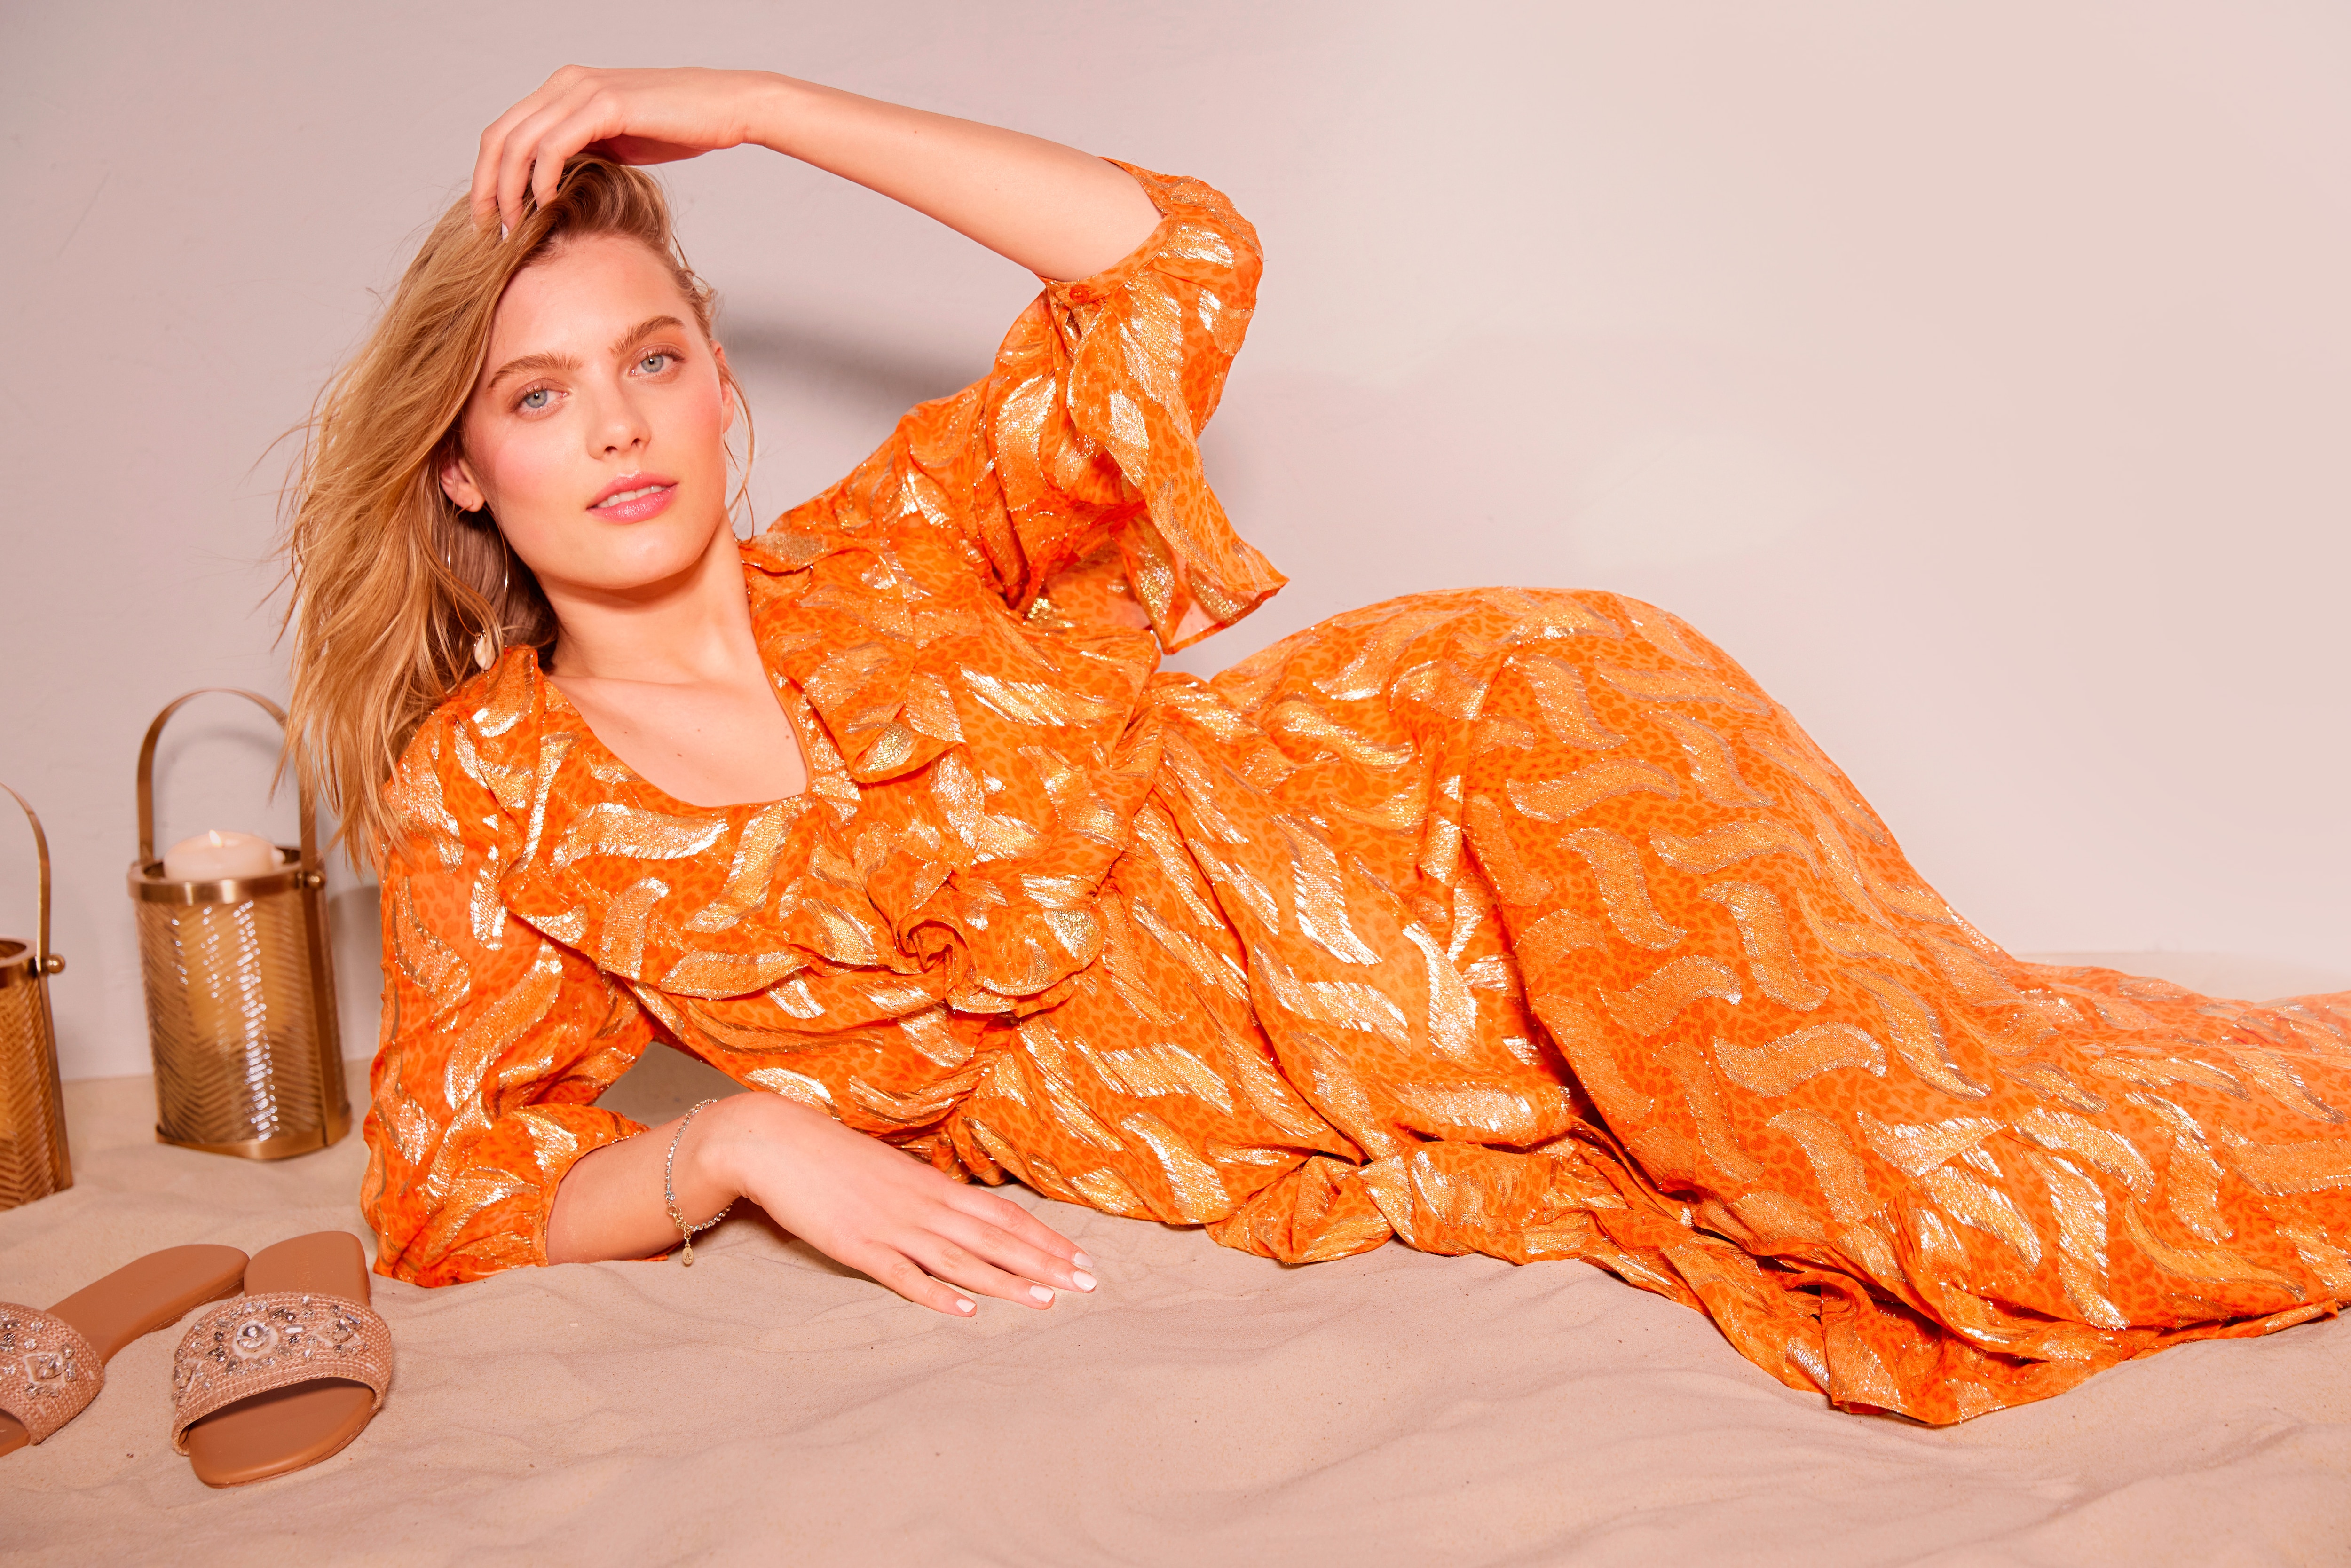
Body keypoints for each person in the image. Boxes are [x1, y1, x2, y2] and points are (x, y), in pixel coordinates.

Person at [284, 65, 2351, 1426]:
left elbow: (1175, 258)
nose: (619, 426)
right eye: (538, 397)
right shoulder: (495, 791)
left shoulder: (895, 542)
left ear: (723, 387)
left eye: (652, 358)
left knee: (1961, 1189)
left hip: (1495, 765)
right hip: (1392, 1075)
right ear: (461, 472)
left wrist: (747, 99)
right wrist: (728, 1137)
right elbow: (449, 1190)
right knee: (1971, 1141)